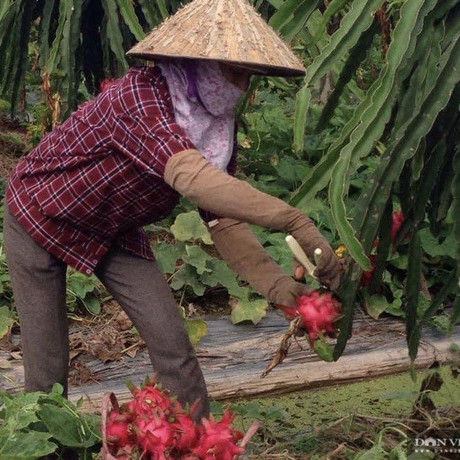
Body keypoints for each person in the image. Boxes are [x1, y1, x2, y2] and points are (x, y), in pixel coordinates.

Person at [3, 0, 342, 421]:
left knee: (172, 343)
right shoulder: (139, 96)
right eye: (231, 70)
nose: (239, 85)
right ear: (195, 60)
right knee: (48, 366)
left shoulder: (216, 127)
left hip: (113, 225)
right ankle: (51, 448)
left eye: (247, 75)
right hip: (41, 214)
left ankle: (198, 440)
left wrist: (277, 288)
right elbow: (190, 176)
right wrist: (294, 219)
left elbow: (222, 215)